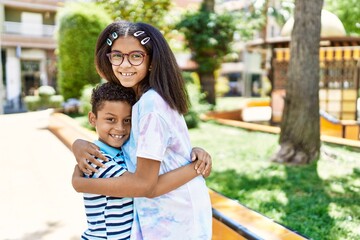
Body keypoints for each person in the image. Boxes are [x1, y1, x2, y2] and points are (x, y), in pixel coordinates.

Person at [72, 20, 212, 240]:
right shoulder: (140, 100)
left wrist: (81, 184)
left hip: (174, 217)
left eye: (136, 56)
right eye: (117, 55)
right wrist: (78, 144)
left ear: (151, 61)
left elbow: (145, 185)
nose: (124, 65)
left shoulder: (150, 105)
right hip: (164, 214)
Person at [81, 82, 136, 239]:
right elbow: (140, 185)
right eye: (111, 119)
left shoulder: (126, 151)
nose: (120, 128)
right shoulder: (95, 158)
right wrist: (191, 169)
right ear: (93, 119)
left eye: (127, 120)